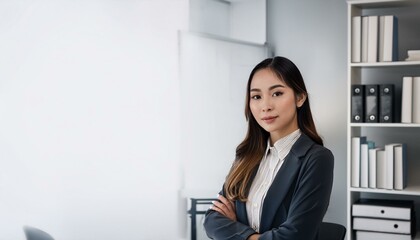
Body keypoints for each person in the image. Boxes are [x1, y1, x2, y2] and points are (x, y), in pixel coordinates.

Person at [203, 56, 334, 240]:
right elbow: (212, 220)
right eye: (256, 96)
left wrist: (240, 232)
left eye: (277, 93)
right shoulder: (246, 155)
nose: (265, 106)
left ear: (300, 97)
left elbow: (295, 236)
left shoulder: (317, 158)